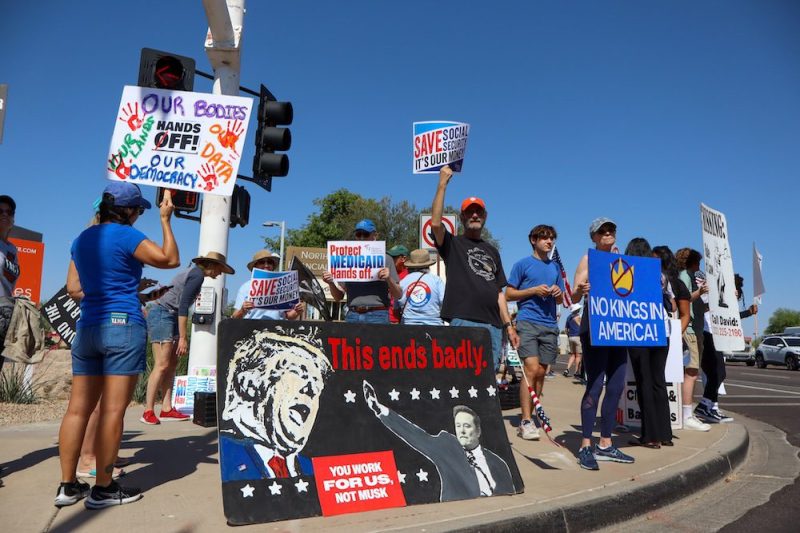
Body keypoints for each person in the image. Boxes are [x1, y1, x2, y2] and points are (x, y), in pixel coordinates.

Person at [56, 182, 179, 509]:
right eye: (138, 209)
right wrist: (165, 220)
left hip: (88, 327)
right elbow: (170, 258)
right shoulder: (126, 235)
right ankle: (104, 488)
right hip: (122, 326)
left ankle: (67, 486)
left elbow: (74, 287)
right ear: (126, 210)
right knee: (112, 410)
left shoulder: (82, 239)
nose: (139, 215)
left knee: (77, 409)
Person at [363, 381, 515, 500]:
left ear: (478, 430)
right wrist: (380, 409)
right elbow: (415, 436)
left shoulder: (498, 463)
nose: (461, 431)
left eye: (467, 426)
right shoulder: (447, 447)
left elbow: (509, 490)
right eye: (458, 426)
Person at [430, 165, 519, 369]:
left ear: (485, 216)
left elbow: (499, 293)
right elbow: (435, 224)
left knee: (489, 378)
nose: (475, 215)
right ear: (462, 217)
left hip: (493, 326)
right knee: (461, 376)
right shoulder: (453, 244)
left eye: (479, 212)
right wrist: (442, 184)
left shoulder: (493, 251)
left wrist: (509, 327)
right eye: (470, 212)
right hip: (463, 320)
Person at [219, 327, 332, 480]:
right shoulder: (227, 455)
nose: (311, 389)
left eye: (317, 385)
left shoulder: (312, 470)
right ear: (249, 383)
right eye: (300, 373)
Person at [141, 251, 235, 425]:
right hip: (162, 313)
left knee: (172, 364)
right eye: (220, 269)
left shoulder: (196, 275)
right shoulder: (197, 275)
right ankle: (148, 411)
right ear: (212, 265)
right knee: (161, 364)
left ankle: (166, 408)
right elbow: (184, 305)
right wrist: (183, 338)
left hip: (171, 314)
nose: (220, 274)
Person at [571, 217, 634, 470]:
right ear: (594, 237)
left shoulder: (623, 260)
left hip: (618, 328)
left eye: (611, 229)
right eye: (602, 231)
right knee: (595, 385)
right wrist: (582, 289)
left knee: (616, 386)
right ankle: (586, 445)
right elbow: (574, 294)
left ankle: (606, 443)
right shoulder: (588, 259)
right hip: (595, 327)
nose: (608, 233)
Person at [505, 225, 564, 441]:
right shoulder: (522, 265)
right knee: (530, 368)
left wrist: (557, 293)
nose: (549, 242)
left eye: (552, 239)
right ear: (533, 240)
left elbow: (561, 299)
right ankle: (526, 420)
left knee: (540, 372)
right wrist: (533, 290)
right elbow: (508, 294)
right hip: (528, 321)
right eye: (545, 238)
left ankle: (534, 410)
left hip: (549, 324)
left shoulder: (555, 267)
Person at [652, 245, 710, 432]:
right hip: (688, 329)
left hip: (689, 328)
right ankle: (686, 415)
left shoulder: (683, 277)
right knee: (690, 372)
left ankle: (684, 413)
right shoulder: (683, 277)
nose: (699, 266)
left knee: (688, 372)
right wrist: (700, 293)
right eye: (697, 262)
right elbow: (683, 302)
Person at [625, 238, 672, 448]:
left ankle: (650, 436)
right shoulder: (660, 275)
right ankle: (665, 434)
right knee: (658, 382)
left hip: (639, 331)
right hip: (661, 330)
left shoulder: (630, 273)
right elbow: (670, 304)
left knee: (644, 382)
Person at [694, 271, 757, 423]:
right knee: (718, 373)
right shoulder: (711, 289)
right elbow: (703, 307)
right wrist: (725, 297)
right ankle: (704, 406)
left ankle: (712, 407)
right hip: (706, 332)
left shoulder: (723, 295)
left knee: (715, 374)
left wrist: (748, 312)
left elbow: (730, 317)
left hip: (716, 334)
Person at [322, 219, 402, 324]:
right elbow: (338, 297)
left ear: (375, 235)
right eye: (358, 234)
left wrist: (389, 279)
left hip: (378, 315)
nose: (362, 238)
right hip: (353, 315)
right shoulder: (347, 260)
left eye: (366, 234)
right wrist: (331, 283)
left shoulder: (386, 259)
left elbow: (398, 295)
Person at [232, 250, 304, 320]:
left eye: (269, 262)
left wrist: (297, 311)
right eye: (262, 262)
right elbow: (235, 317)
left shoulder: (283, 285)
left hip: (277, 327)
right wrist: (243, 310)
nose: (266, 265)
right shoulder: (245, 287)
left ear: (272, 266)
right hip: (252, 326)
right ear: (255, 266)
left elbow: (288, 316)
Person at [397, 248, 446, 325]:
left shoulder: (403, 281)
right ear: (428, 265)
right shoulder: (436, 280)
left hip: (409, 325)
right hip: (434, 325)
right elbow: (443, 302)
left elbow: (397, 306)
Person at [0, 195, 19, 372]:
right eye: (0, 211)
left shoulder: (12, 249)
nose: (5, 214)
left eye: (9, 212)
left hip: (5, 313)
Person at [387, 245, 410, 323]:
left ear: (403, 259)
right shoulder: (386, 273)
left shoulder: (409, 276)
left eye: (393, 257)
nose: (390, 259)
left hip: (403, 320)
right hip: (386, 317)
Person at [564, 303, 583, 381]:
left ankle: (567, 369)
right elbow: (582, 326)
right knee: (578, 356)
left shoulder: (568, 317)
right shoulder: (578, 317)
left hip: (571, 337)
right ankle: (576, 372)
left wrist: (569, 336)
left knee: (572, 355)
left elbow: (566, 329)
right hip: (578, 337)